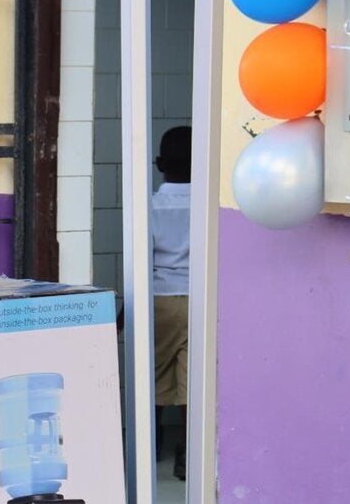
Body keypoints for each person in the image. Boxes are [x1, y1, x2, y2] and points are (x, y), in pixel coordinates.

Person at [150, 125, 191, 481]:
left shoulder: (151, 205)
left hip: (160, 299)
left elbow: (141, 260)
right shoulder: (209, 205)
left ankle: (152, 444)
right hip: (199, 299)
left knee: (155, 375)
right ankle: (187, 455)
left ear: (159, 164)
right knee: (192, 379)